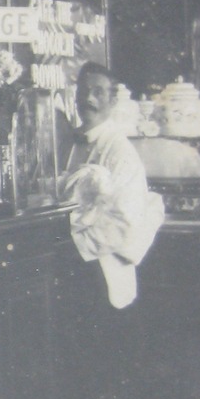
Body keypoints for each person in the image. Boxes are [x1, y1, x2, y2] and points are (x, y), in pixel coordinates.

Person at [60, 61, 165, 309]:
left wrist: (72, 248)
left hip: (101, 269)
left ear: (113, 100)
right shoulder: (66, 142)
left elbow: (123, 221)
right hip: (65, 265)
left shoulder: (120, 151)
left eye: (98, 92)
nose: (88, 98)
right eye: (83, 91)